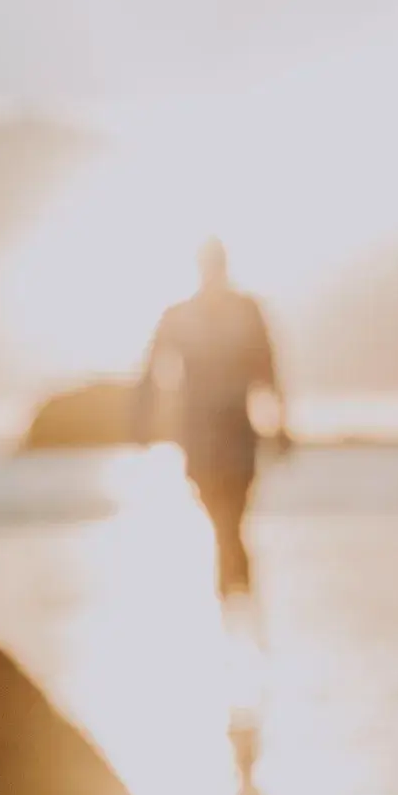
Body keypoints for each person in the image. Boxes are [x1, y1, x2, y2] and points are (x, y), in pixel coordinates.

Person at [135, 239, 288, 597]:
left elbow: (269, 367)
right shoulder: (181, 315)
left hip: (236, 430)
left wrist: (281, 424)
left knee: (232, 512)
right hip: (200, 433)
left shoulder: (246, 311)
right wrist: (141, 421)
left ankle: (233, 587)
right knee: (222, 514)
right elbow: (152, 370)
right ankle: (236, 581)